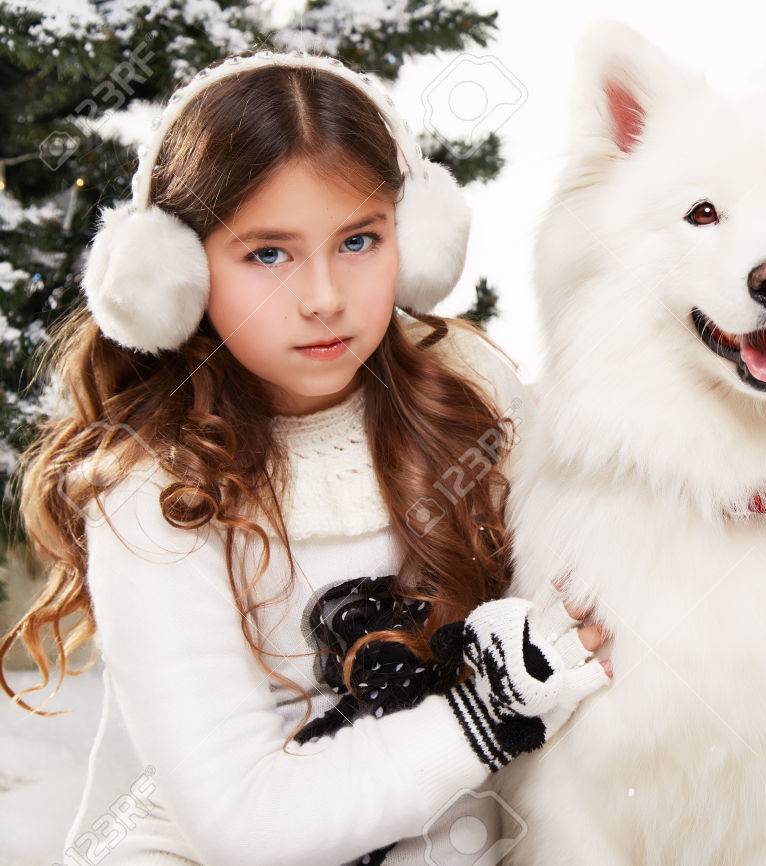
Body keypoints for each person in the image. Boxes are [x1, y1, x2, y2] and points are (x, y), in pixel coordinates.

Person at [0, 50, 612, 866]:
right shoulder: (155, 494)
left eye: (359, 239)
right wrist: (490, 707)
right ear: (173, 273)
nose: (322, 296)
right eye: (268, 254)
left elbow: (604, 558)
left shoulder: (468, 388)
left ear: (416, 237)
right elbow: (246, 821)